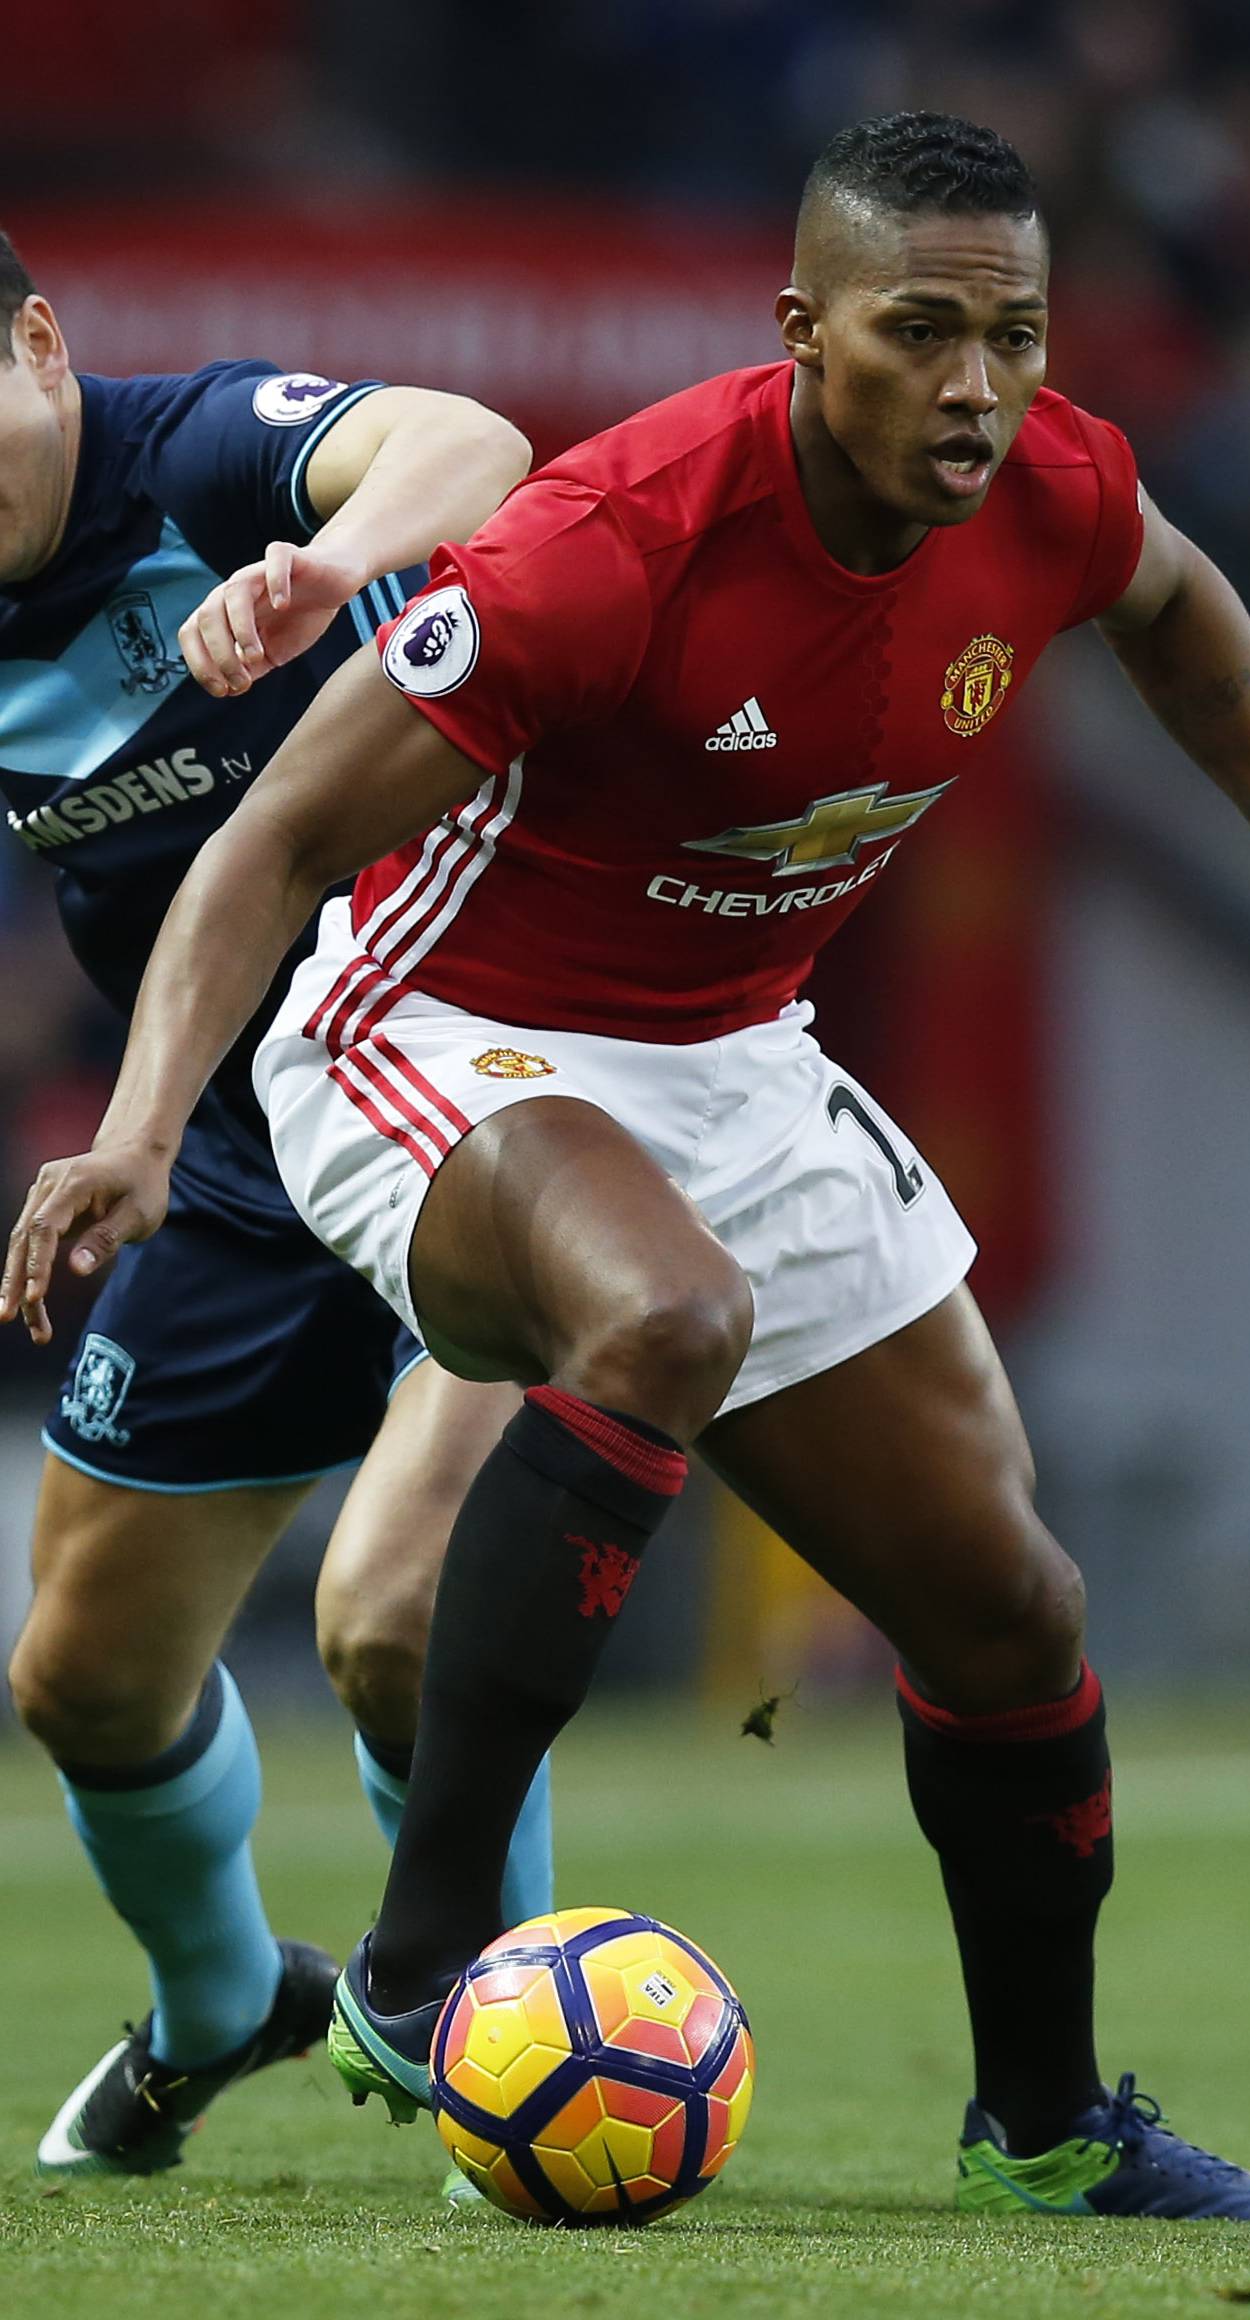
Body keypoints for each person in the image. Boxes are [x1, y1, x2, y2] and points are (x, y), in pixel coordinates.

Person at [2, 115, 1250, 2222]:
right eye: (920, 332)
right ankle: (421, 1973)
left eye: (1013, 333)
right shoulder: (620, 540)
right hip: (434, 1024)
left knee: (1007, 1607)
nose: (976, 385)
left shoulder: (1048, 481)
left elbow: (1175, 601)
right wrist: (142, 1129)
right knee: (656, 1318)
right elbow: (266, 848)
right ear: (804, 332)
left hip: (731, 1055)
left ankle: (1048, 2128)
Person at [0, 233, 547, 2178]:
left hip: (478, 1092)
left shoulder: (202, 452)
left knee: (399, 1614)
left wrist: (326, 564)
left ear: (42, 345)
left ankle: (503, 2051)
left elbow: (469, 439)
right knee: (81, 1674)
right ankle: (225, 2000)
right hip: (226, 1154)